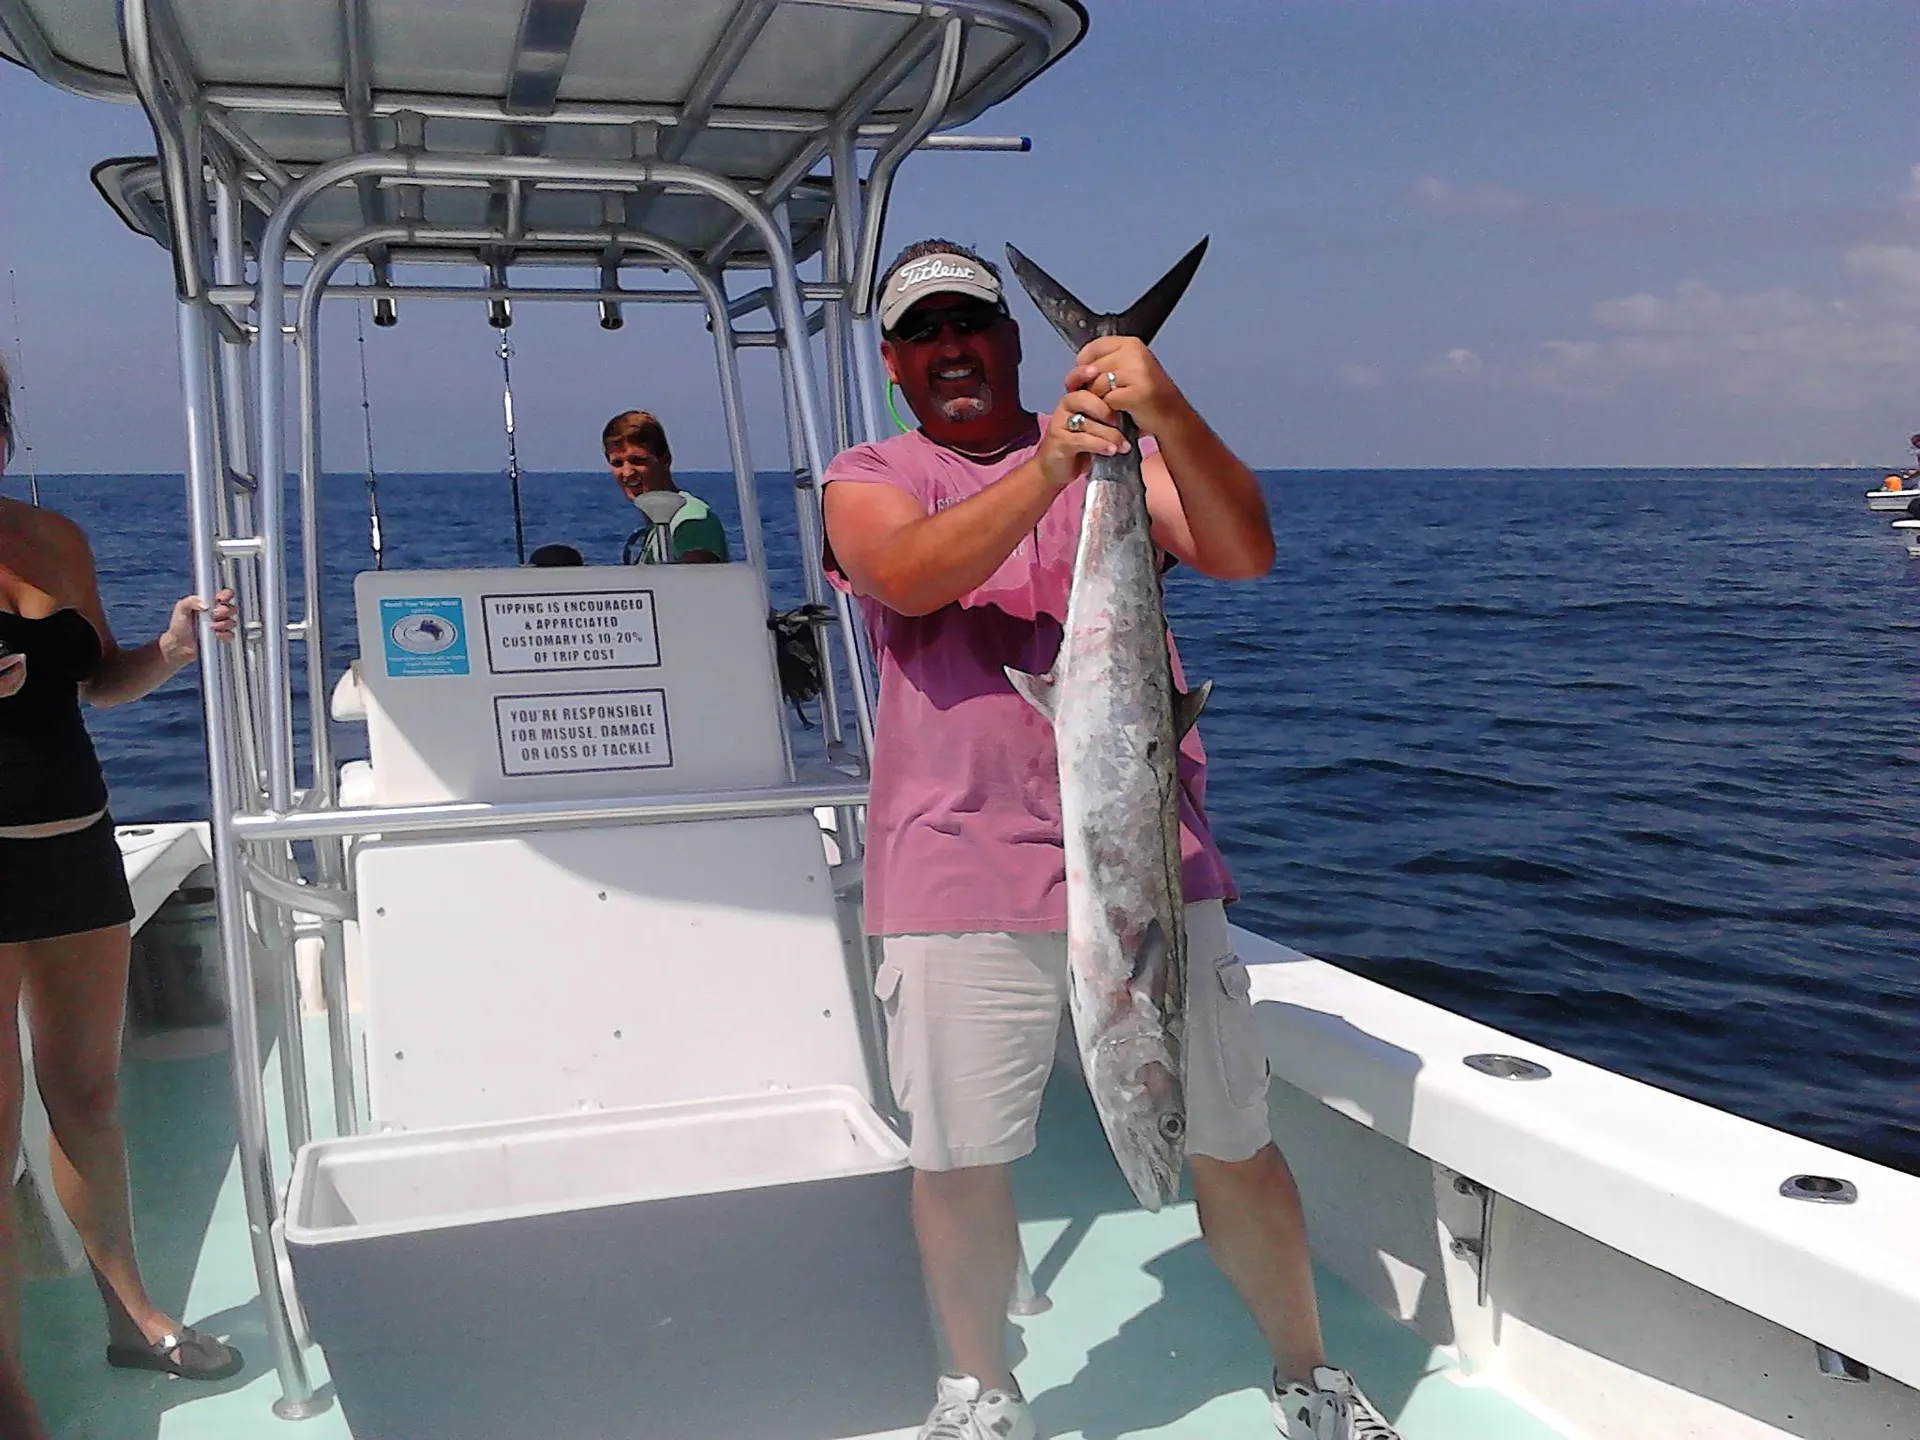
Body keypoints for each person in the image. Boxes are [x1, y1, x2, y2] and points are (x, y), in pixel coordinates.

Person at [821, 241, 1403, 1440]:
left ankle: (1311, 1378)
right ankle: (981, 1395)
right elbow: (906, 574)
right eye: (923, 336)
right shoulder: (870, 470)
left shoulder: (1122, 455)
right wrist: (1050, 465)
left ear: (1013, 341)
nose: (951, 352)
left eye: (970, 328)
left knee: (1234, 1141)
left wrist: (1160, 403)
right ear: (893, 363)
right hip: (955, 869)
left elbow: (1245, 552)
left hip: (1149, 859)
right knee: (962, 1158)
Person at [0, 356, 241, 1440]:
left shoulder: (52, 540)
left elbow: (98, 679)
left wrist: (174, 649)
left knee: (90, 1099)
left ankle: (130, 1316)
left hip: (76, 848)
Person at [601, 410, 730, 565]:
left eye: (637, 460)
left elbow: (698, 574)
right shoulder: (657, 525)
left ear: (665, 460)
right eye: (617, 463)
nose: (627, 473)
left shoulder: (691, 520)